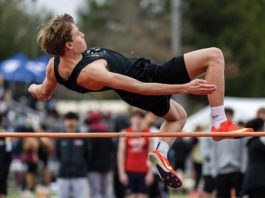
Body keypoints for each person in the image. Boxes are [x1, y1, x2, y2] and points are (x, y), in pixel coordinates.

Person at [28, 14, 253, 188]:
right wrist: (184, 87)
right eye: (78, 34)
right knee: (214, 55)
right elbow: (141, 87)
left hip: (144, 84)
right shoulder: (91, 73)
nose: (83, 35)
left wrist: (32, 88)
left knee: (179, 118)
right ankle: (219, 122)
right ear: (68, 45)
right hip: (150, 80)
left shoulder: (54, 66)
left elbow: (43, 91)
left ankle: (160, 152)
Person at [211, 108, 248, 198]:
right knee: (222, 195)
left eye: (228, 115)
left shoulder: (238, 131)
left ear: (232, 116)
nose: (227, 118)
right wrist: (214, 169)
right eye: (225, 115)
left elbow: (244, 150)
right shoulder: (216, 132)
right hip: (221, 170)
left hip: (237, 169)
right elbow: (213, 152)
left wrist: (243, 168)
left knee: (240, 194)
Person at [117, 110, 154, 198]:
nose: (137, 120)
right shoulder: (125, 133)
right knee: (130, 195)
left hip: (144, 170)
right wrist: (121, 173)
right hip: (129, 170)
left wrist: (150, 173)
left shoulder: (148, 133)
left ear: (143, 119)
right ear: (131, 119)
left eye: (140, 117)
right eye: (135, 117)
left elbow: (152, 154)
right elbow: (120, 154)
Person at [55, 112, 89, 198]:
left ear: (77, 121)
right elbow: (57, 153)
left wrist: (83, 166)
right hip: (63, 174)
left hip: (79, 174)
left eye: (73, 120)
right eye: (68, 120)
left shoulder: (82, 137)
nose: (70, 122)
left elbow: (88, 153)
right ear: (64, 121)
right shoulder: (60, 137)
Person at [86, 112, 114, 198]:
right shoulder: (106, 130)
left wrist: (88, 165)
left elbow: (89, 150)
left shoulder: (90, 131)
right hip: (106, 166)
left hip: (94, 167)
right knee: (105, 192)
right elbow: (111, 148)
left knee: (95, 192)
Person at [243, 118, 265, 198]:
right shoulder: (257, 144)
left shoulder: (252, 142)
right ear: (259, 128)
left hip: (255, 180)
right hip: (259, 181)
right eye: (263, 127)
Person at [0, 116, 12, 198]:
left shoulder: (5, 135)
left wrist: (6, 168)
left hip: (2, 165)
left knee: (2, 186)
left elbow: (9, 152)